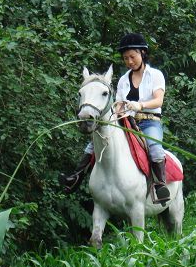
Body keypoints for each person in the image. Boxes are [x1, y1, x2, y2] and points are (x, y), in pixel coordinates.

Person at [59, 33, 171, 205]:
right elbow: (118, 103)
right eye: (126, 58)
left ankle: (159, 186)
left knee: (155, 147)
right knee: (93, 144)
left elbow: (159, 100)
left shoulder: (155, 75)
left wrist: (139, 105)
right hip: (126, 121)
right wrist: (117, 109)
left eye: (132, 57)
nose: (129, 62)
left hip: (149, 121)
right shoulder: (123, 80)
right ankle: (75, 177)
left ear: (142, 53)